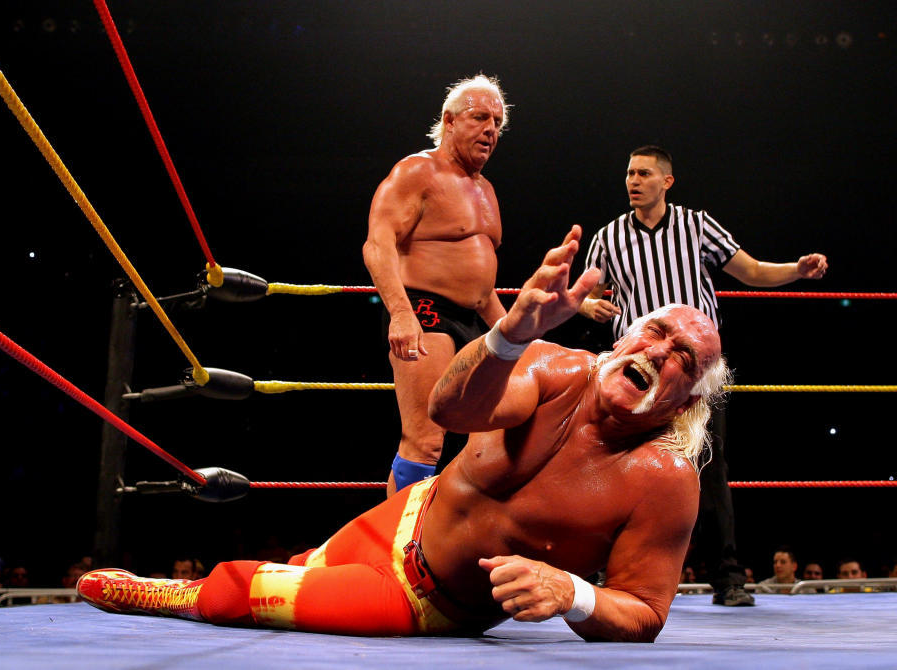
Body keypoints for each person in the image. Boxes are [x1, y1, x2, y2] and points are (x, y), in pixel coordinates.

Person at [78, 228, 730, 641]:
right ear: (625, 336)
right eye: (658, 333)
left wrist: (575, 593)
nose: (663, 352)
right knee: (303, 566)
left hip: (425, 600)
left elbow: (643, 613)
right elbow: (452, 410)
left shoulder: (663, 480)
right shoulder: (554, 365)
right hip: (403, 515)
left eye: (684, 358)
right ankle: (263, 578)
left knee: (253, 594)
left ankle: (175, 594)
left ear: (689, 399)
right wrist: (513, 333)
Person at [579, 145, 828, 607]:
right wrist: (588, 305)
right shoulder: (608, 236)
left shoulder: (697, 226)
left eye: (644, 174)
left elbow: (750, 270)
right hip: (635, 374)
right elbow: (585, 294)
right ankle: (605, 572)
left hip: (695, 372)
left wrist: (796, 270)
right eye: (630, 173)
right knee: (616, 468)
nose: (633, 181)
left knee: (710, 472)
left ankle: (728, 578)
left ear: (666, 181)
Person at [362, 74, 509, 496]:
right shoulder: (417, 171)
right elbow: (378, 245)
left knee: (494, 439)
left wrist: (519, 336)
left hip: (476, 321)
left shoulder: (486, 190)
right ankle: (396, 547)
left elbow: (481, 288)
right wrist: (402, 313)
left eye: (497, 122)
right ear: (449, 120)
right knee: (425, 441)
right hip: (426, 311)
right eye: (479, 117)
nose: (490, 130)